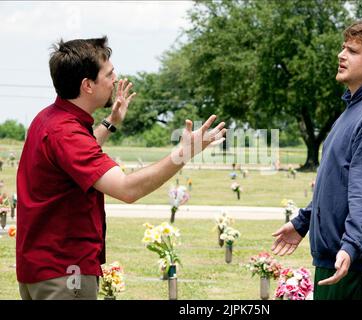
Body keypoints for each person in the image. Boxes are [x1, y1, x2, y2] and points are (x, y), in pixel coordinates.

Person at [16, 36, 226, 300]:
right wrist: (184, 153)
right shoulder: (66, 132)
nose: (116, 79)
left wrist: (111, 122)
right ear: (87, 85)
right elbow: (127, 189)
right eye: (109, 73)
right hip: (65, 274)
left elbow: (78, 157)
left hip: (44, 270)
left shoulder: (49, 119)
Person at [272, 21, 362, 300]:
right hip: (340, 257)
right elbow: (339, 180)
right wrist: (303, 222)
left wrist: (351, 245)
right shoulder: (355, 110)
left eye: (352, 50)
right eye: (342, 47)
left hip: (359, 263)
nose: (340, 54)